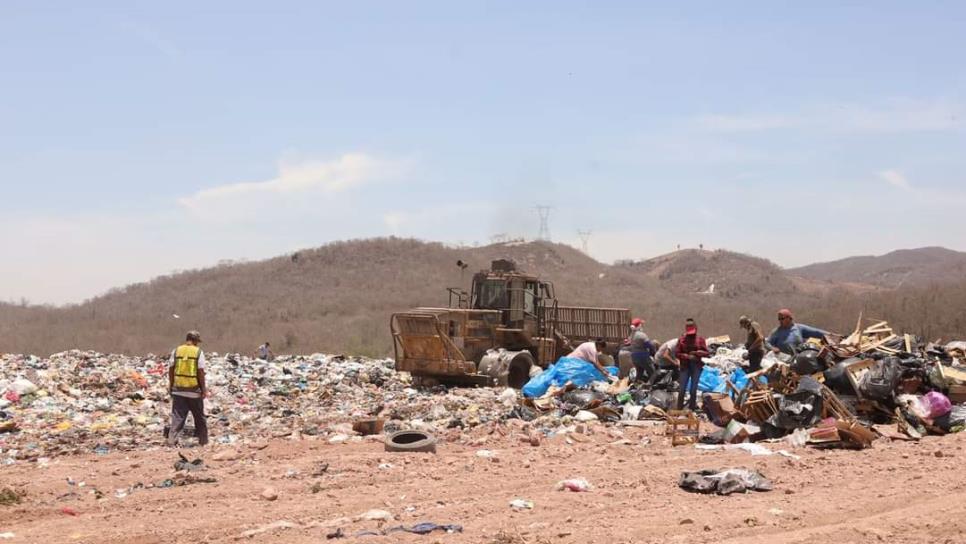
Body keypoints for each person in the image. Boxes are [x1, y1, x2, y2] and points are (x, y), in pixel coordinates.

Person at [167, 330, 208, 447]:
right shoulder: (198, 352)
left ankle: (171, 440)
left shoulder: (177, 350)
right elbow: (200, 372)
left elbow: (171, 369)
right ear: (195, 340)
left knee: (177, 417)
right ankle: (203, 441)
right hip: (193, 390)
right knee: (199, 417)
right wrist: (203, 389)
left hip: (178, 389)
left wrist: (171, 384)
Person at [675, 318, 709, 411]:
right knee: (682, 389)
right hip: (685, 366)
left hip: (696, 366)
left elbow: (706, 352)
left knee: (693, 390)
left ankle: (692, 409)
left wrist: (697, 353)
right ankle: (679, 409)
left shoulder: (700, 339)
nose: (690, 337)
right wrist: (686, 356)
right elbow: (677, 353)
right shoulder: (682, 340)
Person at [627, 318, 656, 382]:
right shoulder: (642, 335)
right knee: (652, 372)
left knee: (639, 373)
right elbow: (649, 345)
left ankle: (635, 386)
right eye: (641, 324)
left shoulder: (632, 335)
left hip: (634, 356)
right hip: (642, 356)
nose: (642, 326)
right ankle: (651, 387)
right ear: (639, 326)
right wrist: (654, 352)